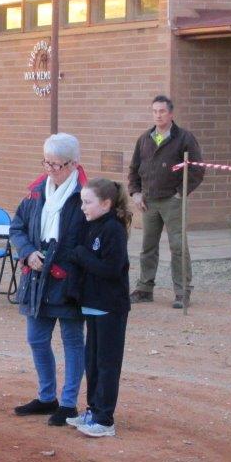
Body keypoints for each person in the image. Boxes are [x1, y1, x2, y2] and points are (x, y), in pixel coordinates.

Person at [9, 133, 88, 426]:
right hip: (37, 278)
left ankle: (68, 403)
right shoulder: (35, 191)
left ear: (74, 164)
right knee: (36, 338)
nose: (50, 170)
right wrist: (28, 253)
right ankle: (46, 397)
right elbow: (17, 227)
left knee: (72, 340)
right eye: (47, 162)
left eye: (57, 165)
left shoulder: (85, 195)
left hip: (68, 280)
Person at [66, 178, 133, 438]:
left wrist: (82, 255)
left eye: (87, 202)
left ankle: (105, 419)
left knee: (107, 363)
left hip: (110, 307)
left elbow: (111, 269)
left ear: (106, 204)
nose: (83, 207)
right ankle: (93, 410)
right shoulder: (92, 225)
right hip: (92, 306)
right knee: (92, 362)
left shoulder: (113, 229)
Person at [127, 95, 204, 309]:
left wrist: (180, 193)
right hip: (149, 202)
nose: (158, 115)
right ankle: (144, 289)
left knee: (178, 247)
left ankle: (182, 292)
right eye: (154, 111)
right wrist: (135, 193)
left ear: (171, 114)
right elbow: (134, 169)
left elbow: (197, 170)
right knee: (147, 247)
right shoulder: (144, 139)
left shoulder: (184, 138)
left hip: (172, 201)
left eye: (162, 111)